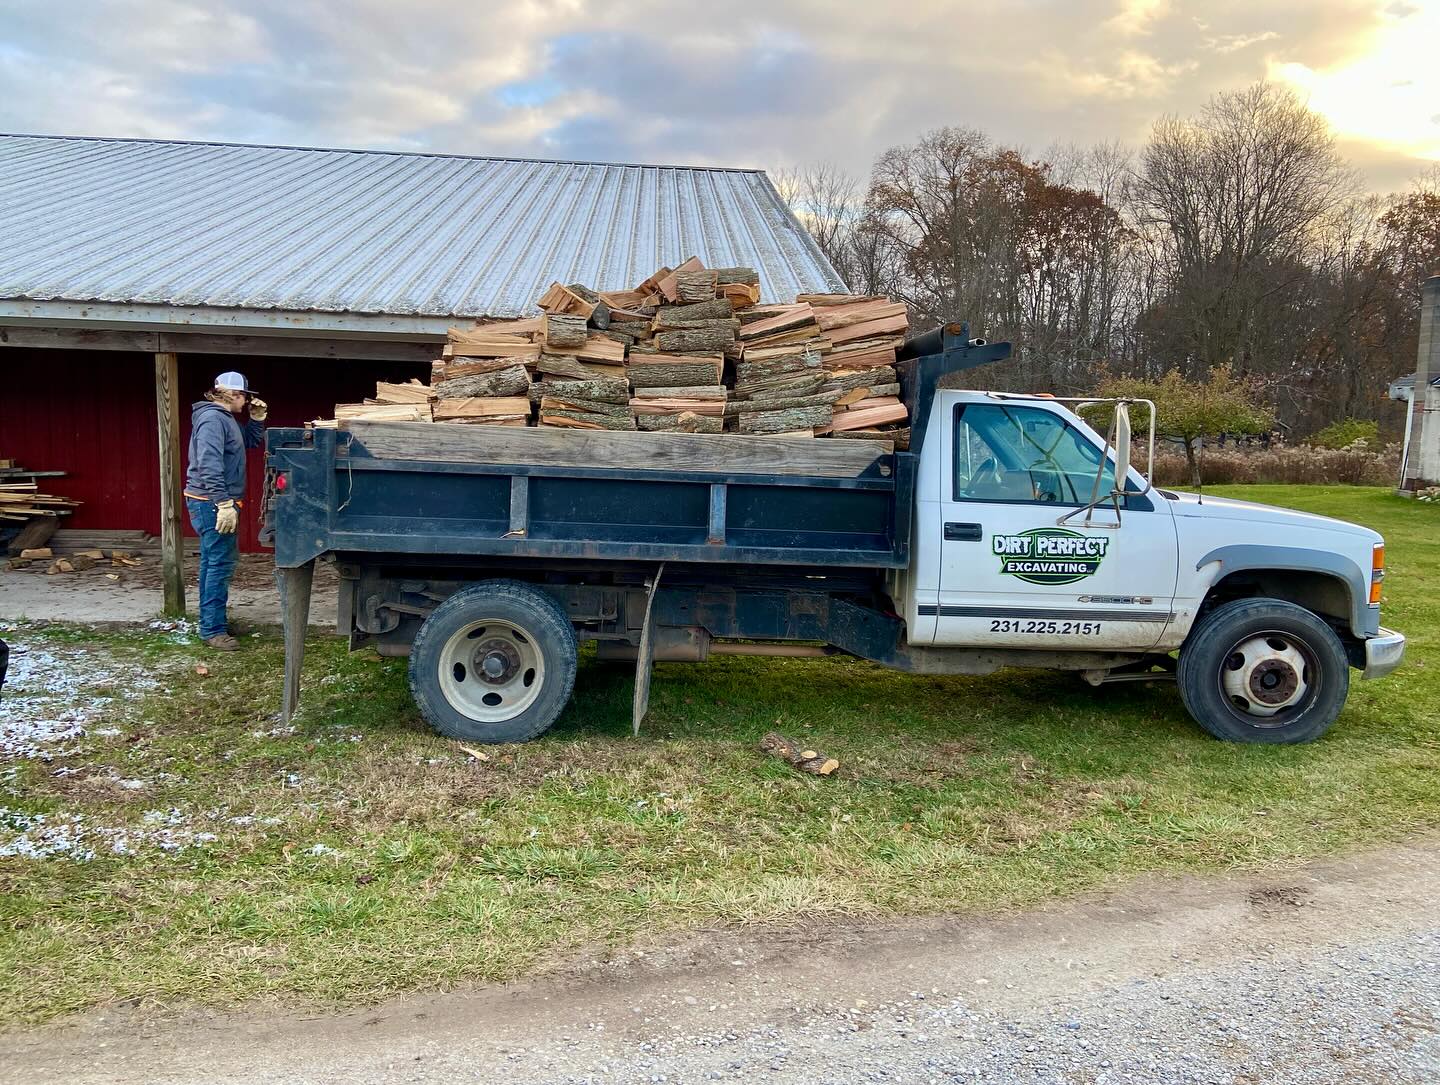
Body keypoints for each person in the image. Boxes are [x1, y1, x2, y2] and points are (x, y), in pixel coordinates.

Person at [183, 372, 268, 650]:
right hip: (211, 503)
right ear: (231, 394)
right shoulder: (212, 420)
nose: (246, 401)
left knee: (213, 563)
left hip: (212, 501)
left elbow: (249, 443)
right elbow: (208, 463)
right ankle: (213, 630)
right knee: (219, 565)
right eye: (244, 396)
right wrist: (222, 503)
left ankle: (212, 623)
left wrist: (256, 421)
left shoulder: (225, 419)